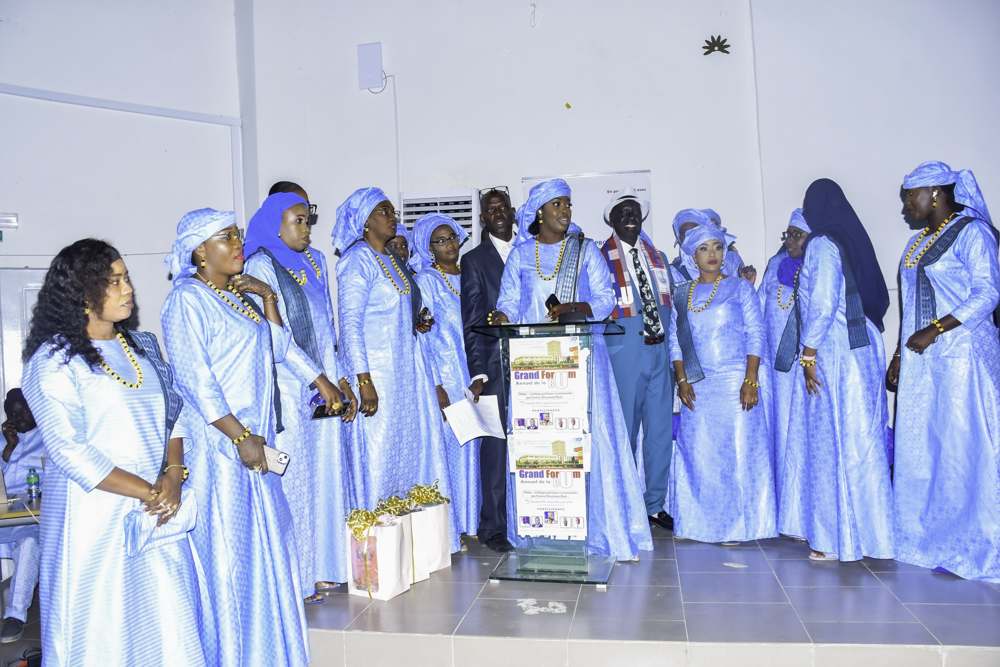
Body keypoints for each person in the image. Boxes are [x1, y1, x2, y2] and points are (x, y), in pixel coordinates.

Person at [22, 239, 205, 665]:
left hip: (155, 508)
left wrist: (173, 478)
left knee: (165, 624)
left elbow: (173, 416)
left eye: (126, 278)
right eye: (114, 281)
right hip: (94, 517)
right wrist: (148, 491)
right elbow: (69, 450)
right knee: (102, 631)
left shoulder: (139, 346)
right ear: (83, 295)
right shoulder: (53, 360)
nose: (128, 290)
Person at [162, 209, 324, 666]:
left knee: (264, 545)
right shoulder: (186, 300)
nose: (239, 244)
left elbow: (273, 349)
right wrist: (239, 437)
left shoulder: (235, 297)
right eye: (226, 237)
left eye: (237, 235)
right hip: (221, 445)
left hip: (254, 440)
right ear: (199, 251)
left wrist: (268, 297)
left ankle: (269, 647)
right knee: (231, 554)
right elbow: (196, 380)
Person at [491, 178, 652, 560]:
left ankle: (594, 530)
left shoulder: (585, 251)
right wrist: (500, 314)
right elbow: (510, 301)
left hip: (579, 363)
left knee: (582, 446)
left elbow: (606, 299)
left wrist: (574, 307)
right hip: (534, 367)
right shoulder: (520, 255)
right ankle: (542, 532)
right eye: (558, 205)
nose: (565, 212)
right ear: (539, 213)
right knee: (541, 453)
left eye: (568, 205)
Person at [243, 192, 360, 602]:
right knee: (294, 482)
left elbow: (327, 327)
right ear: (275, 223)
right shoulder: (259, 266)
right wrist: (318, 379)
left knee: (325, 476)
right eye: (298, 220)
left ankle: (325, 567)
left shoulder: (314, 262)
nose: (307, 228)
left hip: (323, 386)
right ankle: (296, 575)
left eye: (308, 221)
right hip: (290, 390)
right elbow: (279, 341)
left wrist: (340, 379)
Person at [332, 188, 460, 552]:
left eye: (392, 211)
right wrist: (364, 381)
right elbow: (351, 323)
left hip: (405, 374)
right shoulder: (357, 260)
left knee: (410, 455)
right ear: (365, 221)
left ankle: (413, 547)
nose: (393, 216)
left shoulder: (389, 258)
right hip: (377, 377)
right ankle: (378, 551)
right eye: (384, 211)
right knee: (378, 456)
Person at [890, 161, 1000, 582]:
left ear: (935, 192)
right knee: (926, 448)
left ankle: (973, 545)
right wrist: (900, 353)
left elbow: (988, 292)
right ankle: (928, 541)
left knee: (961, 450)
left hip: (962, 357)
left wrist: (936, 329)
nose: (905, 204)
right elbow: (910, 303)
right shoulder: (918, 242)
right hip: (923, 361)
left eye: (909, 195)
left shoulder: (973, 232)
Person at [778, 179, 894, 562]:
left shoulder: (823, 245)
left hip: (835, 353)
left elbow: (824, 304)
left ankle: (833, 537)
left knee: (833, 443)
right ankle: (869, 536)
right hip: (861, 348)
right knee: (860, 441)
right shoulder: (849, 240)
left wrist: (808, 357)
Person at [668, 225, 776, 545]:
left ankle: (735, 527)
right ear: (692, 255)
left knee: (735, 454)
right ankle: (696, 524)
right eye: (704, 249)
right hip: (697, 384)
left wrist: (750, 379)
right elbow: (675, 341)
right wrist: (682, 379)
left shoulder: (740, 289)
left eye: (718, 247)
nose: (713, 254)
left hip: (734, 381)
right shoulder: (682, 293)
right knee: (698, 454)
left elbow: (756, 333)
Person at [600, 188, 675, 532]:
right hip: (624, 353)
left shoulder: (656, 256)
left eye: (635, 212)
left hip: (659, 350)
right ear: (612, 220)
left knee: (659, 431)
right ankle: (626, 503)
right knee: (626, 431)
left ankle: (654, 505)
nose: (630, 217)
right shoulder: (600, 258)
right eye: (623, 212)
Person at [411, 212, 481, 539]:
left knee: (480, 448)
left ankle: (478, 519)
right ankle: (458, 525)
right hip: (449, 377)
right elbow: (423, 335)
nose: (449, 245)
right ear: (428, 248)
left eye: (452, 237)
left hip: (478, 373)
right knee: (458, 448)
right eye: (440, 241)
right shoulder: (426, 280)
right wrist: (436, 385)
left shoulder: (471, 273)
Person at [462, 187, 517, 553]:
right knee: (495, 448)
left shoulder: (530, 251)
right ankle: (492, 527)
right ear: (482, 219)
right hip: (495, 365)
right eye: (490, 210)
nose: (498, 213)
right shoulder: (474, 260)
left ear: (513, 212)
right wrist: (478, 372)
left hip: (537, 362)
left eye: (502, 208)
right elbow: (470, 321)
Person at [758, 209, 809, 510]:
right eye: (787, 234)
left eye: (797, 234)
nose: (790, 240)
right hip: (775, 369)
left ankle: (801, 507)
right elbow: (762, 307)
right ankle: (781, 506)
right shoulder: (775, 264)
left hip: (805, 367)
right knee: (779, 431)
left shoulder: (818, 266)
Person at [0, 389, 43, 643]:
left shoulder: (50, 437)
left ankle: (14, 616)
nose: (19, 418)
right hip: (4, 514)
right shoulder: (5, 438)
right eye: (12, 414)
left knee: (29, 545)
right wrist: (10, 448)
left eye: (23, 410)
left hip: (34, 516)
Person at [702, 208, 756, 285]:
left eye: (714, 224)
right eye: (706, 224)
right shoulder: (693, 259)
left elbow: (743, 291)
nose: (711, 228)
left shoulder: (733, 257)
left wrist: (747, 284)